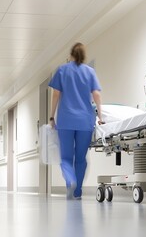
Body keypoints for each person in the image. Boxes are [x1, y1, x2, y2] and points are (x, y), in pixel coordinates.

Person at [49, 42, 103, 200]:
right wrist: (100, 116)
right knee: (81, 158)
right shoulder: (90, 72)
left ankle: (70, 180)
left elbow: (55, 94)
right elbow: (97, 95)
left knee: (66, 157)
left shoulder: (62, 70)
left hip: (66, 120)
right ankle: (77, 190)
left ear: (71, 55)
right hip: (85, 121)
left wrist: (52, 116)